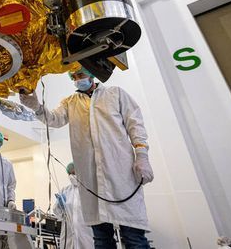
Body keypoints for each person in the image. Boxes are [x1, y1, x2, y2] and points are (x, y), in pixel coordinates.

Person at [19, 67, 154, 249]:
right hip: (91, 184)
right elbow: (54, 119)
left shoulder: (115, 94)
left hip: (122, 177)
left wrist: (142, 155)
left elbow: (135, 125)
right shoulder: (70, 102)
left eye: (80, 75)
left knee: (134, 239)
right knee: (101, 241)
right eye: (73, 77)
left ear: (91, 74)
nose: (77, 79)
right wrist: (36, 107)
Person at [53, 162, 94, 249]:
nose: (72, 176)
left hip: (86, 234)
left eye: (74, 173)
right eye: (70, 173)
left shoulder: (89, 190)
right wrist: (60, 206)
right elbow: (57, 212)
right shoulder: (65, 190)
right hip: (69, 235)